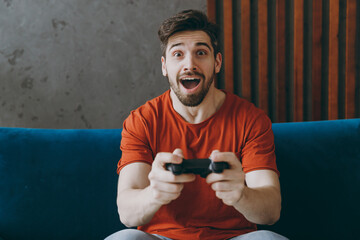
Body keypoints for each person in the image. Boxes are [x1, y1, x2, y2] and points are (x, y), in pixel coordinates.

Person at [106, 9, 287, 240]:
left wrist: (240, 194)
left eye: (201, 52)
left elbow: (270, 213)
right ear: (164, 66)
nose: (189, 64)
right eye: (178, 54)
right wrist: (154, 194)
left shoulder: (251, 120)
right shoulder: (142, 121)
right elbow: (127, 215)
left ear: (217, 62)